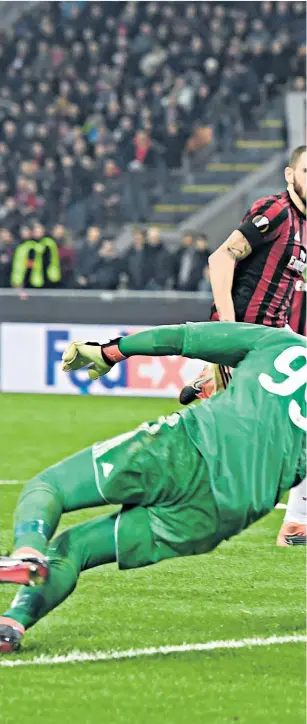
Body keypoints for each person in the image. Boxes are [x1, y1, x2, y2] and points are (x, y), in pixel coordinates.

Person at [0, 320, 305, 652]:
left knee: (51, 485)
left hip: (191, 447)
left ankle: (27, 552)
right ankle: (11, 625)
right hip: (234, 506)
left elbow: (178, 339)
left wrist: (110, 352)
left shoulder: (283, 342)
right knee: (77, 547)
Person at [179, 145, 307, 547]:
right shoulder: (276, 211)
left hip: (271, 341)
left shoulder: (303, 227)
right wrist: (230, 331)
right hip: (248, 339)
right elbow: (221, 257)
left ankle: (294, 525)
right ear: (290, 174)